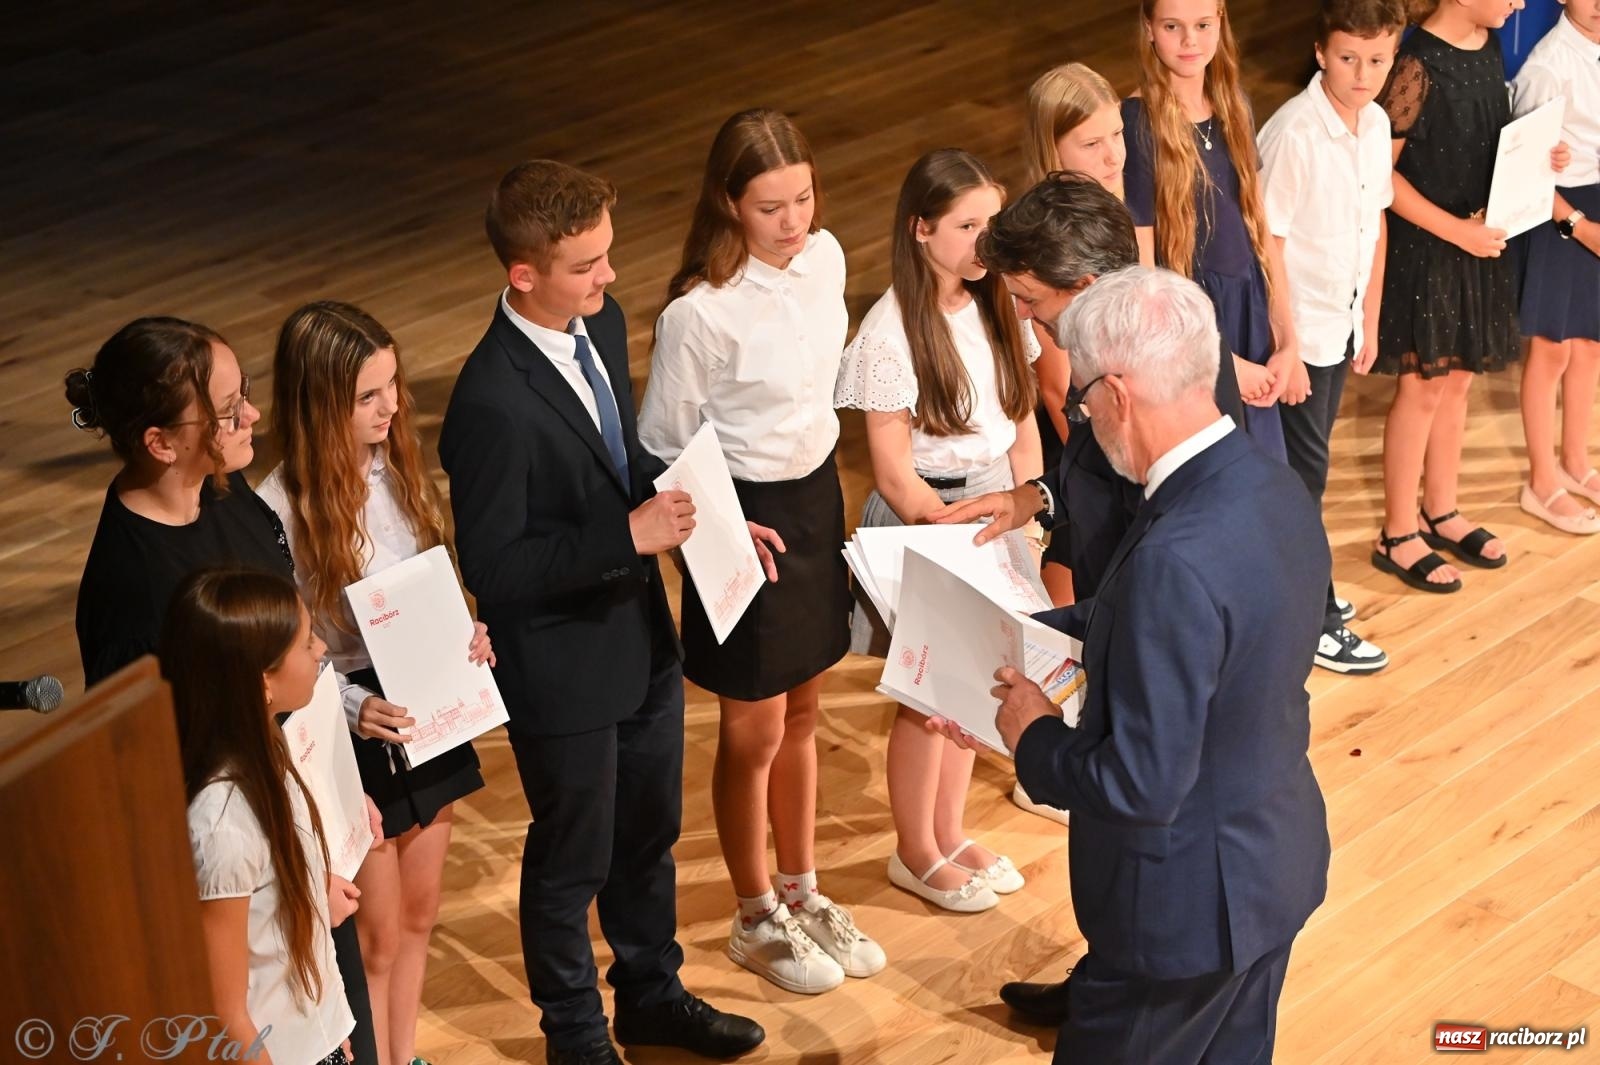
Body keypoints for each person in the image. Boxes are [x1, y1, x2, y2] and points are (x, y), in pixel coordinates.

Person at [937, 266, 1331, 1064]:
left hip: (1178, 915)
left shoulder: (1174, 558)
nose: (1083, 413)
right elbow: (1199, 635)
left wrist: (1035, 736)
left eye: (1081, 397)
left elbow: (1141, 784)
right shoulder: (1270, 484)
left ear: (1116, 392)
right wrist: (1026, 629)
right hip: (1268, 868)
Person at [438, 159, 763, 1065]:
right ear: (523, 275)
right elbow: (494, 568)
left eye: (607, 256)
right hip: (563, 665)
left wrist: (712, 512)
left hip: (640, 639)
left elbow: (620, 469)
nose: (610, 278)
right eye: (586, 265)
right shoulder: (490, 402)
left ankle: (652, 997)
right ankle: (575, 1037)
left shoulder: (602, 322)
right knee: (570, 859)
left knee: (649, 836)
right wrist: (631, 534)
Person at [65, 317, 380, 1065]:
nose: (254, 418)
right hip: (257, 885)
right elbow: (159, 778)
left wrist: (329, 801)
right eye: (229, 409)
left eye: (246, 396)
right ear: (160, 442)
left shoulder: (233, 498)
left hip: (300, 828)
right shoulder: (128, 587)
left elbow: (291, 661)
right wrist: (296, 876)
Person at [638, 108, 880, 995]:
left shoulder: (827, 259)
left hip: (815, 503)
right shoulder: (698, 314)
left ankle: (801, 887)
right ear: (729, 204)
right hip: (742, 517)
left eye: (804, 198)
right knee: (753, 730)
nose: (794, 222)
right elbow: (662, 444)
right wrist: (727, 523)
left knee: (807, 710)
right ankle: (752, 915)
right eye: (772, 206)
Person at [257, 300, 494, 1065]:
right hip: (355, 728)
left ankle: (406, 1051)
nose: (391, 406)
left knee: (421, 913)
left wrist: (466, 630)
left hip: (427, 711)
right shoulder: (278, 509)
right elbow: (294, 650)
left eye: (392, 385)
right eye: (368, 395)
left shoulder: (396, 468)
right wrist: (356, 707)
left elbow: (427, 580)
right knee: (378, 933)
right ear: (319, 403)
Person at [833, 148, 1040, 914]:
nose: (986, 241)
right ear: (922, 230)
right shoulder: (889, 335)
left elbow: (1021, 418)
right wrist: (953, 533)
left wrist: (1025, 499)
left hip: (992, 510)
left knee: (975, 684)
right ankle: (914, 849)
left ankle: (950, 832)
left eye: (992, 223)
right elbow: (892, 470)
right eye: (968, 225)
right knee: (928, 697)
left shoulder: (997, 306)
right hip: (935, 518)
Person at [1369, 0, 1568, 589]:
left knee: (1457, 383)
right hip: (1431, 249)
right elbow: (1380, 173)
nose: (1519, 3)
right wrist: (1455, 230)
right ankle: (1398, 531)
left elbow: (1487, 142)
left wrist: (1543, 159)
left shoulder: (1486, 46)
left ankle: (1442, 507)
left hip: (1476, 246)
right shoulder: (1415, 64)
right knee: (1424, 387)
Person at [1256, 0, 1403, 673]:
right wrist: (1286, 344)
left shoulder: (1374, 124)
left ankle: (1301, 595)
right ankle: (1311, 618)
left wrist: (1369, 318)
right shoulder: (1295, 134)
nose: (1362, 73)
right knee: (1300, 480)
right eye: (1348, 57)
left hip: (1339, 326)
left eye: (1377, 59)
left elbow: (1374, 225)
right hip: (1300, 334)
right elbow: (1269, 243)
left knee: (1308, 472)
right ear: (1321, 53)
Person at [165, 568, 357, 1065]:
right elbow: (225, 1013)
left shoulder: (269, 747)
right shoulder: (221, 824)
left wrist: (331, 1028)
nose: (321, 650)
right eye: (305, 642)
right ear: (262, 679)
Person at [1126, 0, 1301, 460]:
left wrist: (1288, 342)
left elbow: (1260, 233)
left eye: (1203, 25)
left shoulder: (1234, 104)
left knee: (1264, 478)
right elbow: (1145, 268)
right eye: (1172, 26)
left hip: (1250, 315)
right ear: (1148, 29)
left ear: (1221, 23)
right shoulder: (1136, 122)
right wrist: (1223, 364)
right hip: (1193, 329)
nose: (1189, 41)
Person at [1021, 62, 1129, 606]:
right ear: (1052, 151)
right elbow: (1056, 388)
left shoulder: (1120, 207)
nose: (1114, 156)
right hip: (1082, 452)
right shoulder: (1047, 244)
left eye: (1118, 134)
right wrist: (1110, 480)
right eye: (1092, 143)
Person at [1513, 0, 1600, 535]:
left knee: (1590, 343)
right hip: (1561, 213)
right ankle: (1542, 481)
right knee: (1552, 348)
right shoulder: (1547, 66)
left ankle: (1576, 461)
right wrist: (1577, 225)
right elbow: (1524, 164)